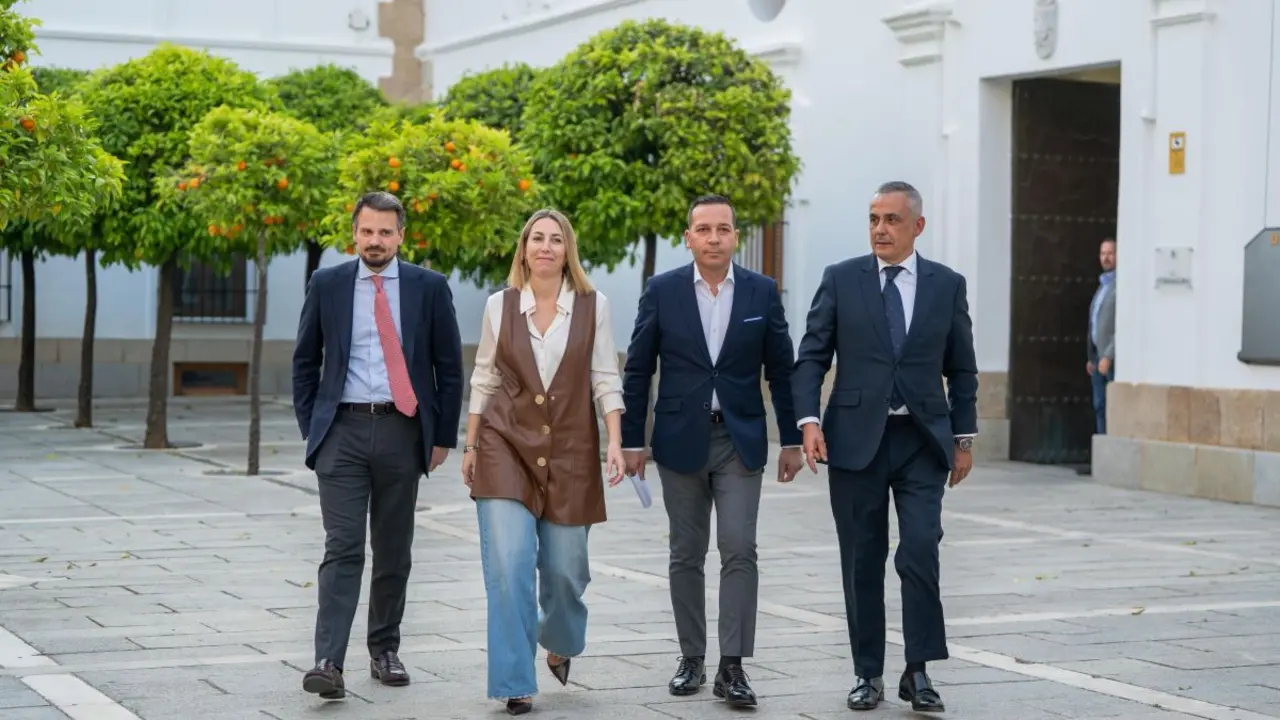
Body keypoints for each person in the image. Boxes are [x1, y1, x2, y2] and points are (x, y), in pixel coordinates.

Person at [791, 181, 977, 713]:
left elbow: (962, 368)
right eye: (874, 219)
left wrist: (963, 437)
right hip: (854, 441)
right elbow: (812, 357)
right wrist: (808, 421)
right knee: (862, 559)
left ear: (917, 226)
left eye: (892, 220)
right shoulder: (841, 279)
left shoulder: (946, 285)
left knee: (920, 549)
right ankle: (867, 672)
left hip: (921, 441)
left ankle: (918, 671)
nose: (880, 229)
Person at [622, 194, 804, 709]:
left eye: (723, 228)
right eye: (703, 229)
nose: (714, 237)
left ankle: (732, 666)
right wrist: (632, 441)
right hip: (679, 439)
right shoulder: (662, 291)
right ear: (689, 238)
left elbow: (781, 370)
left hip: (738, 440)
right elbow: (638, 368)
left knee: (739, 547)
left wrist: (792, 438)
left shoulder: (762, 291)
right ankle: (692, 657)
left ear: (735, 236)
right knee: (686, 551)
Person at [291, 191, 464, 700]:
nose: (375, 241)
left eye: (385, 232)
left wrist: (442, 437)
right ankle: (328, 661)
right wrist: (313, 429)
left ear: (401, 236)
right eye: (367, 231)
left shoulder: (429, 287)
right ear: (354, 233)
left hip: (401, 430)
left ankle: (384, 649)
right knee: (342, 547)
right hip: (340, 433)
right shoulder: (327, 284)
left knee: (393, 549)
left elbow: (449, 367)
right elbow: (304, 361)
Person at [461, 208, 626, 716]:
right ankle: (515, 681)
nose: (546, 247)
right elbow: (485, 377)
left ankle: (561, 641)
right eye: (537, 238)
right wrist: (471, 445)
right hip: (504, 445)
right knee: (508, 565)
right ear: (524, 248)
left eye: (556, 239)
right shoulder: (500, 305)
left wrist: (614, 442)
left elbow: (605, 377)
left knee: (565, 571)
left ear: (567, 250)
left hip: (572, 450)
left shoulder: (594, 306)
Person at [1087, 237, 1117, 435]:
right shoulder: (1102, 287)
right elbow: (1093, 322)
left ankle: (1110, 444)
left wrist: (1108, 355)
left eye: (1110, 253)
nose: (1106, 258)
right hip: (1098, 358)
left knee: (1110, 407)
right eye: (1103, 253)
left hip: (1110, 359)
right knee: (1099, 406)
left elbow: (1121, 326)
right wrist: (1091, 356)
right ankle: (1102, 444)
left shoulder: (1120, 286)